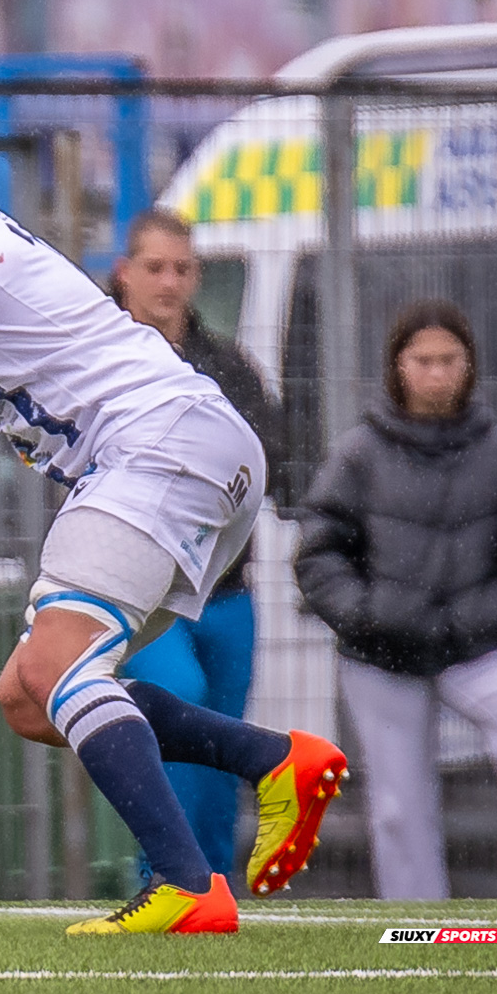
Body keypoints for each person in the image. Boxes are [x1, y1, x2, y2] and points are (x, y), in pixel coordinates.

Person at [0, 122, 349, 935]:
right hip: (192, 447)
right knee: (27, 696)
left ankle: (188, 885)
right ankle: (275, 760)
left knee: (57, 672)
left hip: (156, 445)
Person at [295, 299, 497, 897]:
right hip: (382, 654)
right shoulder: (359, 453)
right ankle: (419, 937)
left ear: (470, 366)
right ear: (397, 366)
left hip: (474, 643)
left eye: (449, 359)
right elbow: (319, 554)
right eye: (422, 360)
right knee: (399, 810)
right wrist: (370, 615)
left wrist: (494, 614)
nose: (436, 373)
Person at [112, 209, 284, 885]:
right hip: (142, 585)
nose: (169, 281)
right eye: (155, 267)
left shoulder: (227, 365)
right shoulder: (101, 354)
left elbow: (267, 455)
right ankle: (163, 876)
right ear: (125, 272)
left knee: (220, 740)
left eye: (182, 268)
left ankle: (217, 885)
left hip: (227, 588)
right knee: (175, 700)